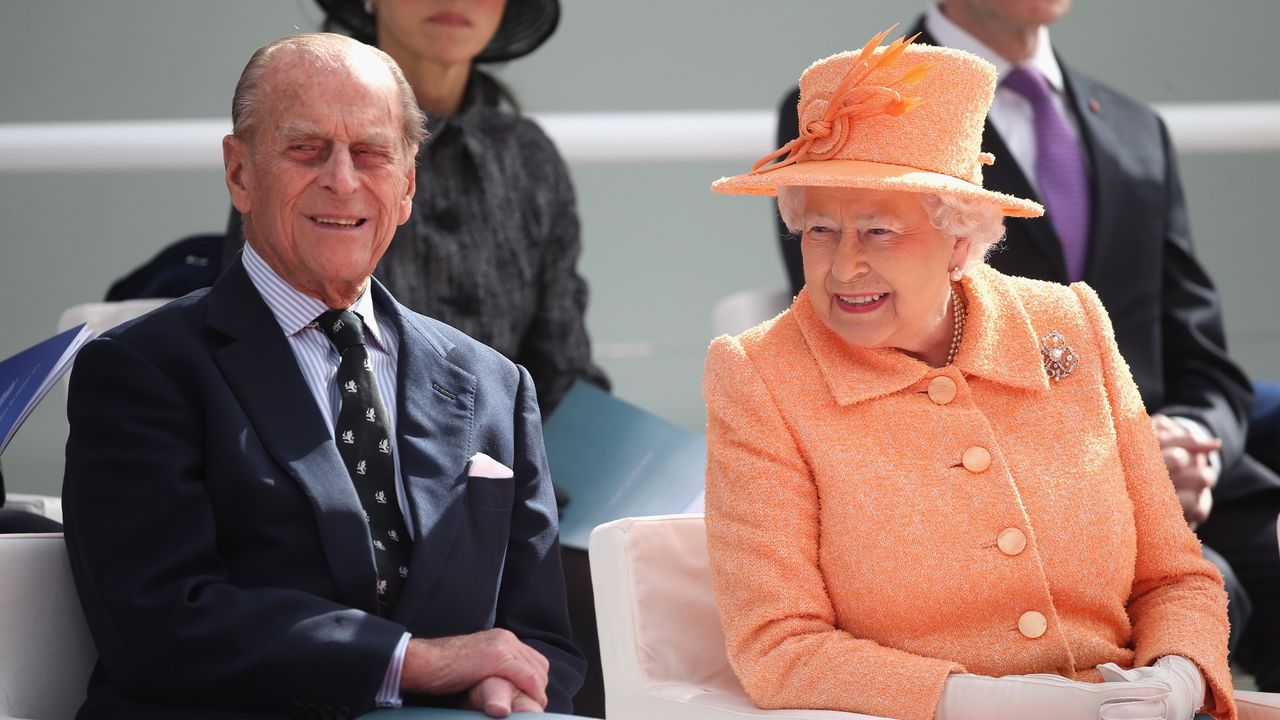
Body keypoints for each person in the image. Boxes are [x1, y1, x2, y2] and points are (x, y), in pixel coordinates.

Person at [705, 29, 1236, 720]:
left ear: (960, 238)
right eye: (819, 231)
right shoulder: (759, 376)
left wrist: (1179, 679)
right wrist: (992, 702)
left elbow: (1174, 577)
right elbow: (779, 648)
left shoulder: (1070, 322)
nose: (842, 267)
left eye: (878, 231)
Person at [62, 33, 583, 720]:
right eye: (307, 150)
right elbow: (157, 622)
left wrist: (505, 683)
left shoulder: (495, 386)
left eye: (371, 154)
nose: (342, 180)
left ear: (407, 186)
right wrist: (412, 664)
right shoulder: (141, 371)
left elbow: (544, 638)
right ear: (240, 173)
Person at [221, 0, 609, 418]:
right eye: (312, 148)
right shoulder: (291, 151)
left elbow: (563, 368)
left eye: (370, 152)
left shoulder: (528, 157)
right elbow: (254, 344)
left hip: (510, 464)